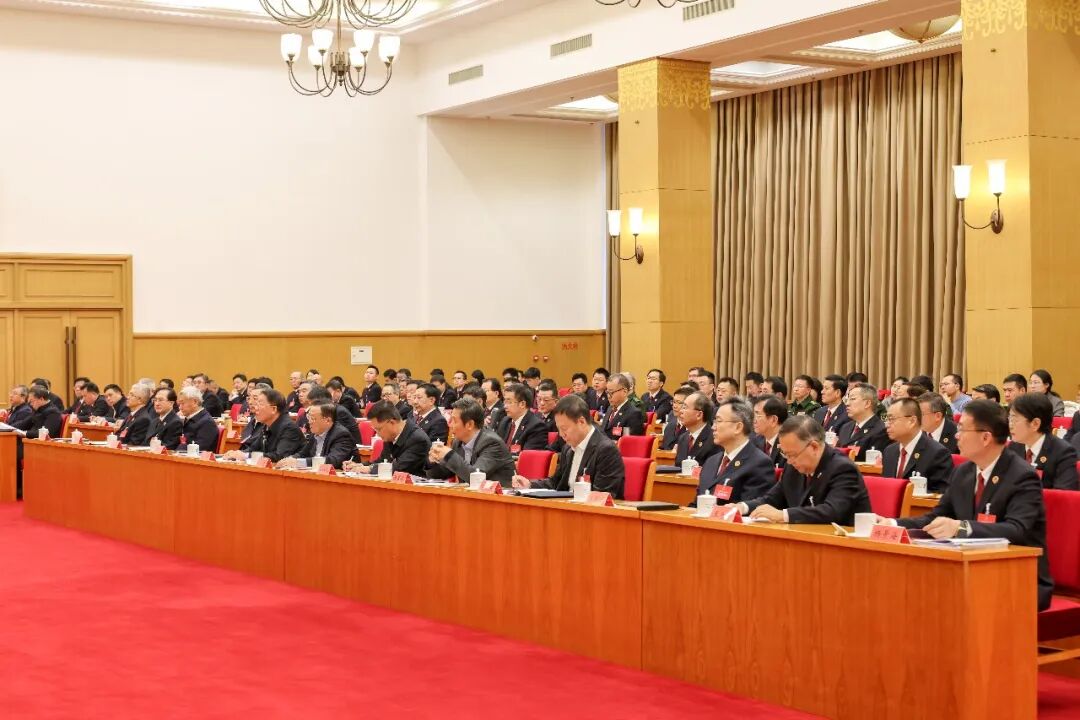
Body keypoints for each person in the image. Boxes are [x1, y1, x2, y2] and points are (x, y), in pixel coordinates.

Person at [887, 400, 1052, 611]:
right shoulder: (963, 472)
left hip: (1018, 576)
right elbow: (936, 518)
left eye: (962, 429)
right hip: (970, 569)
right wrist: (893, 524)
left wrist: (962, 527)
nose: (956, 436)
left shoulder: (1022, 476)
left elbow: (1017, 530)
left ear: (986, 438)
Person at [730, 416, 871, 524]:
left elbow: (832, 511)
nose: (789, 461)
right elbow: (772, 499)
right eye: (785, 455)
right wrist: (742, 507)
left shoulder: (843, 468)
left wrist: (783, 515)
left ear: (814, 447)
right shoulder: (792, 467)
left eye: (792, 455)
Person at [512, 394, 624, 498]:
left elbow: (601, 497)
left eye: (564, 429)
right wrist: (529, 484)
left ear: (581, 422)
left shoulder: (606, 450)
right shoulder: (568, 448)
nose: (561, 434)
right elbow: (555, 483)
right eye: (559, 429)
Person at [693, 398, 775, 504]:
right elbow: (696, 504)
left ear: (738, 427)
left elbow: (748, 509)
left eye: (718, 421)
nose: (713, 427)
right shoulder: (711, 461)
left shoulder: (759, 463)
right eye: (714, 421)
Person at [427, 399, 516, 486]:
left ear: (469, 424)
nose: (450, 424)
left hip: (498, 494)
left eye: (454, 420)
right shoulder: (458, 441)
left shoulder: (492, 443)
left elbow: (475, 478)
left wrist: (449, 455)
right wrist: (433, 462)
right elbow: (443, 474)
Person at [1006, 393, 1078, 490]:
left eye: (1014, 419)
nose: (1010, 425)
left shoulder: (1063, 452)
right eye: (1009, 419)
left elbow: (1062, 495)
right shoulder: (1014, 447)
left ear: (1035, 424)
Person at [881, 398, 954, 493]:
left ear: (912, 421)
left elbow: (941, 494)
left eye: (892, 419)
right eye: (887, 419)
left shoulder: (937, 453)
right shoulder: (889, 451)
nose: (887, 424)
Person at [345, 400, 431, 476]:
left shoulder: (418, 440)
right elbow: (382, 461)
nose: (377, 434)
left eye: (379, 429)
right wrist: (360, 465)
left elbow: (399, 468)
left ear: (392, 422)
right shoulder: (390, 436)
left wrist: (369, 469)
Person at [224, 388, 303, 462]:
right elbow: (253, 449)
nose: (256, 408)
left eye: (260, 404)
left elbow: (279, 456)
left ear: (273, 409)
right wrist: (237, 453)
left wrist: (246, 456)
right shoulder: (267, 425)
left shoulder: (289, 428)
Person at [276, 402, 355, 470]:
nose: (309, 422)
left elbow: (332, 461)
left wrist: (298, 462)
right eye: (308, 417)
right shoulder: (316, 432)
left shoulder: (342, 435)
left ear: (327, 420)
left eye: (313, 418)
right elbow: (303, 453)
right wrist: (289, 459)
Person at [659, 391, 718, 473]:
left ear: (699, 415)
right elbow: (679, 468)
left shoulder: (714, 439)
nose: (681, 411)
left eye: (685, 407)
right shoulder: (683, 438)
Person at [835, 384, 889, 461]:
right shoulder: (845, 427)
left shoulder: (881, 430)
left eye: (852, 399)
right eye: (847, 399)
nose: (847, 403)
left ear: (867, 403)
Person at [497, 384, 548, 453]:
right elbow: (496, 447)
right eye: (505, 401)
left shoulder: (536, 426)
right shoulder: (505, 421)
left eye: (509, 402)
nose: (505, 406)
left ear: (522, 404)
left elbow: (527, 456)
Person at [600, 373, 645, 441]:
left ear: (624, 392)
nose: (608, 396)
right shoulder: (610, 409)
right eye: (607, 392)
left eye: (611, 392)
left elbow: (629, 442)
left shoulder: (634, 414)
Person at [176, 386, 220, 452]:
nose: (180, 408)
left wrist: (175, 451)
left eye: (182, 403)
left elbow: (199, 449)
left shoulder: (207, 422)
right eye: (179, 404)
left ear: (195, 402)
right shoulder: (189, 418)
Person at [751, 395, 788, 468]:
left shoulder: (789, 445)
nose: (753, 420)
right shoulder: (754, 441)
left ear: (773, 420)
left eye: (758, 414)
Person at [659, 386, 694, 451]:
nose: (674, 406)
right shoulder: (670, 426)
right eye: (674, 402)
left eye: (679, 403)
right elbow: (664, 448)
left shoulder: (692, 428)